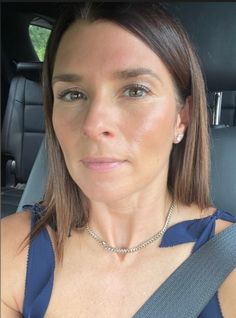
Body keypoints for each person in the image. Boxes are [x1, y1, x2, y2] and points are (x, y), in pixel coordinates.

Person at [1, 2, 236, 317]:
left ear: (182, 117)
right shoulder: (12, 249)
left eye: (135, 91)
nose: (94, 125)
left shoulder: (228, 266)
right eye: (72, 94)